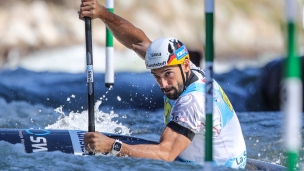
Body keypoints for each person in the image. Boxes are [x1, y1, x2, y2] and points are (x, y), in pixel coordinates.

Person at [79, 0, 247, 169]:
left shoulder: (192, 102)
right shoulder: (185, 69)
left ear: (186, 65)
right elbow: (136, 42)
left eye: (167, 74)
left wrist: (112, 146)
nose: (163, 84)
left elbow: (165, 154)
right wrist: (102, 13)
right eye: (156, 76)